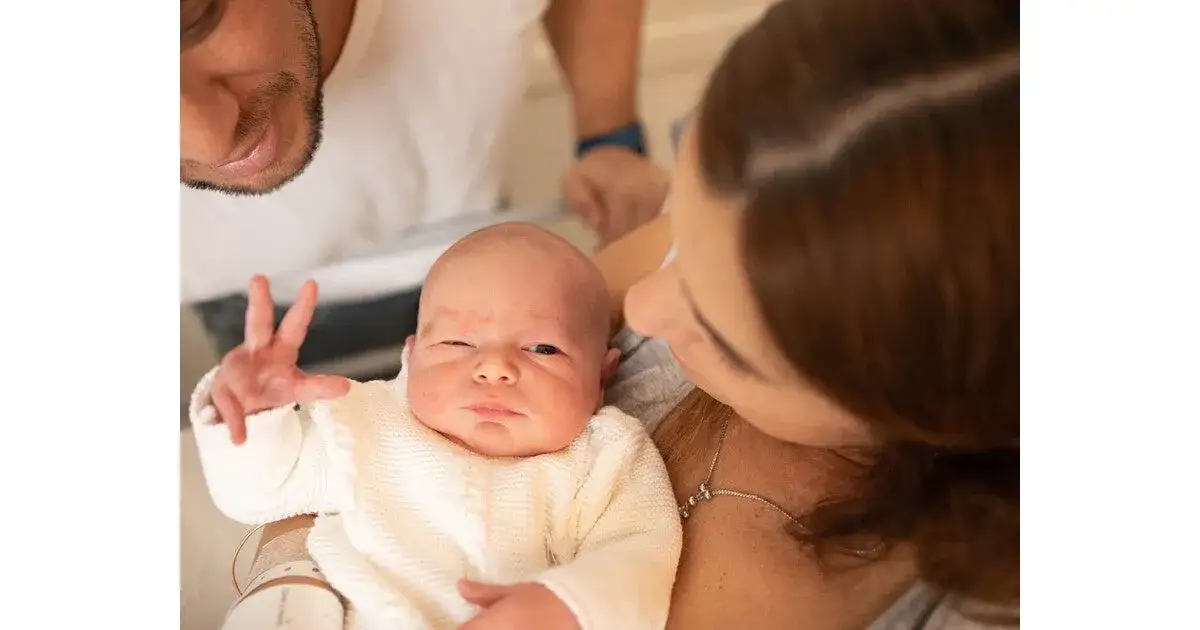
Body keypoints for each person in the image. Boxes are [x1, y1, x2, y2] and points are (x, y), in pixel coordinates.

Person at [232, 0, 1020, 627]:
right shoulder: (766, 217)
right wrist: (295, 575)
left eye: (720, 337)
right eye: (680, 236)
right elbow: (372, 432)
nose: (638, 306)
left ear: (919, 412)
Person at [191, 224, 681, 630]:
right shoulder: (367, 422)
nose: (495, 369)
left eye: (542, 349)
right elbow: (261, 494)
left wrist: (571, 605)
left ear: (602, 374)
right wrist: (252, 415)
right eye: (456, 343)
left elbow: (645, 552)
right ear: (412, 355)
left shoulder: (607, 457)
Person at [180, 0, 668, 378]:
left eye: (193, 19)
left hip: (470, 230)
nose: (215, 139)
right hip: (253, 311)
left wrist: (609, 134)